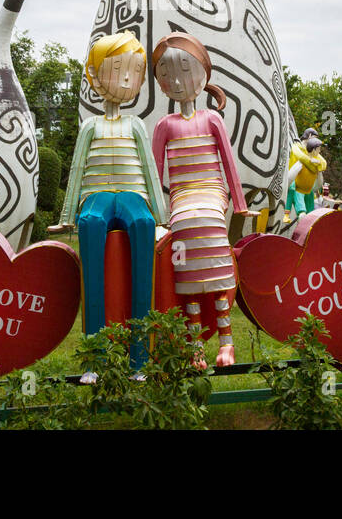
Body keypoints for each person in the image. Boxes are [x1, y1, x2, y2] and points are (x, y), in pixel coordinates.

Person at [58, 32, 166, 370]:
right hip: (96, 194)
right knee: (91, 223)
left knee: (143, 223)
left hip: (133, 194)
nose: (124, 78)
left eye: (132, 72)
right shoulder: (91, 126)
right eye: (115, 69)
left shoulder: (136, 125)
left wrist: (160, 214)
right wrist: (68, 215)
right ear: (93, 76)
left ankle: (139, 358)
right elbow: (77, 167)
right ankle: (95, 357)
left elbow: (148, 166)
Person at [151, 32, 246, 368]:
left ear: (204, 73)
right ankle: (193, 345)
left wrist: (238, 201)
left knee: (205, 222)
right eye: (166, 75)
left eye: (186, 71)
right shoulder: (165, 125)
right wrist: (155, 211)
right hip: (183, 198)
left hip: (210, 192)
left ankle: (226, 342)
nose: (177, 81)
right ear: (161, 83)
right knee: (185, 241)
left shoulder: (212, 119)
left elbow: (229, 164)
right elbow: (155, 171)